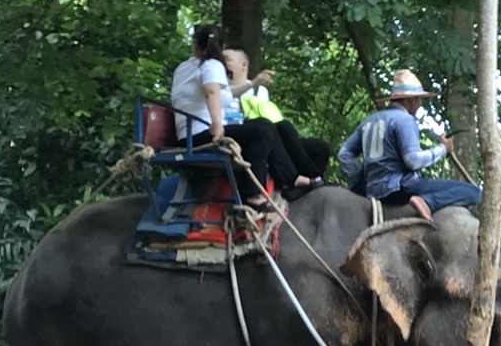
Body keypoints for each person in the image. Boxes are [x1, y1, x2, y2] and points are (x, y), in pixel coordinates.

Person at [166, 23, 301, 201]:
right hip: (201, 135)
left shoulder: (183, 68)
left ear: (194, 45)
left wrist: (252, 84)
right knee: (262, 132)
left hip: (188, 135)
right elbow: (212, 92)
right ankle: (252, 192)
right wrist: (217, 125)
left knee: (262, 124)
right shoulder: (211, 64)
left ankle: (290, 179)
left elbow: (223, 95)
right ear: (221, 48)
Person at [337, 70, 482, 219]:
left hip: (373, 189)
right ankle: (427, 202)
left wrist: (358, 184)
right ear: (409, 100)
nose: (419, 105)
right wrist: (442, 149)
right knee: (474, 193)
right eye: (418, 100)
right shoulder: (404, 120)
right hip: (400, 187)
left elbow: (344, 154)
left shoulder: (369, 121)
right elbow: (413, 161)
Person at [223, 47, 329, 187]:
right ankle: (303, 181)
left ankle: (313, 179)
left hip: (269, 132)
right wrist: (252, 83)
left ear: (244, 65)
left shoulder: (260, 90)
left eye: (227, 59)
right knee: (268, 130)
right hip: (248, 134)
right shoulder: (219, 88)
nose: (222, 63)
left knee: (318, 146)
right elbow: (223, 95)